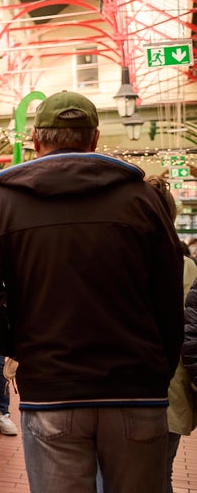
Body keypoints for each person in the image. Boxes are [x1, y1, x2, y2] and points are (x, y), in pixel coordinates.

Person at [0, 91, 183, 493]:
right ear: (95, 138)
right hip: (135, 389)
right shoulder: (142, 199)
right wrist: (156, 368)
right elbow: (169, 294)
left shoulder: (1, 201)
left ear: (36, 140)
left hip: (52, 390)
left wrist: (17, 345)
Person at [146, 176, 197, 493]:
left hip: (126, 392)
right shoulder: (187, 266)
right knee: (161, 473)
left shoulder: (119, 259)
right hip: (173, 393)